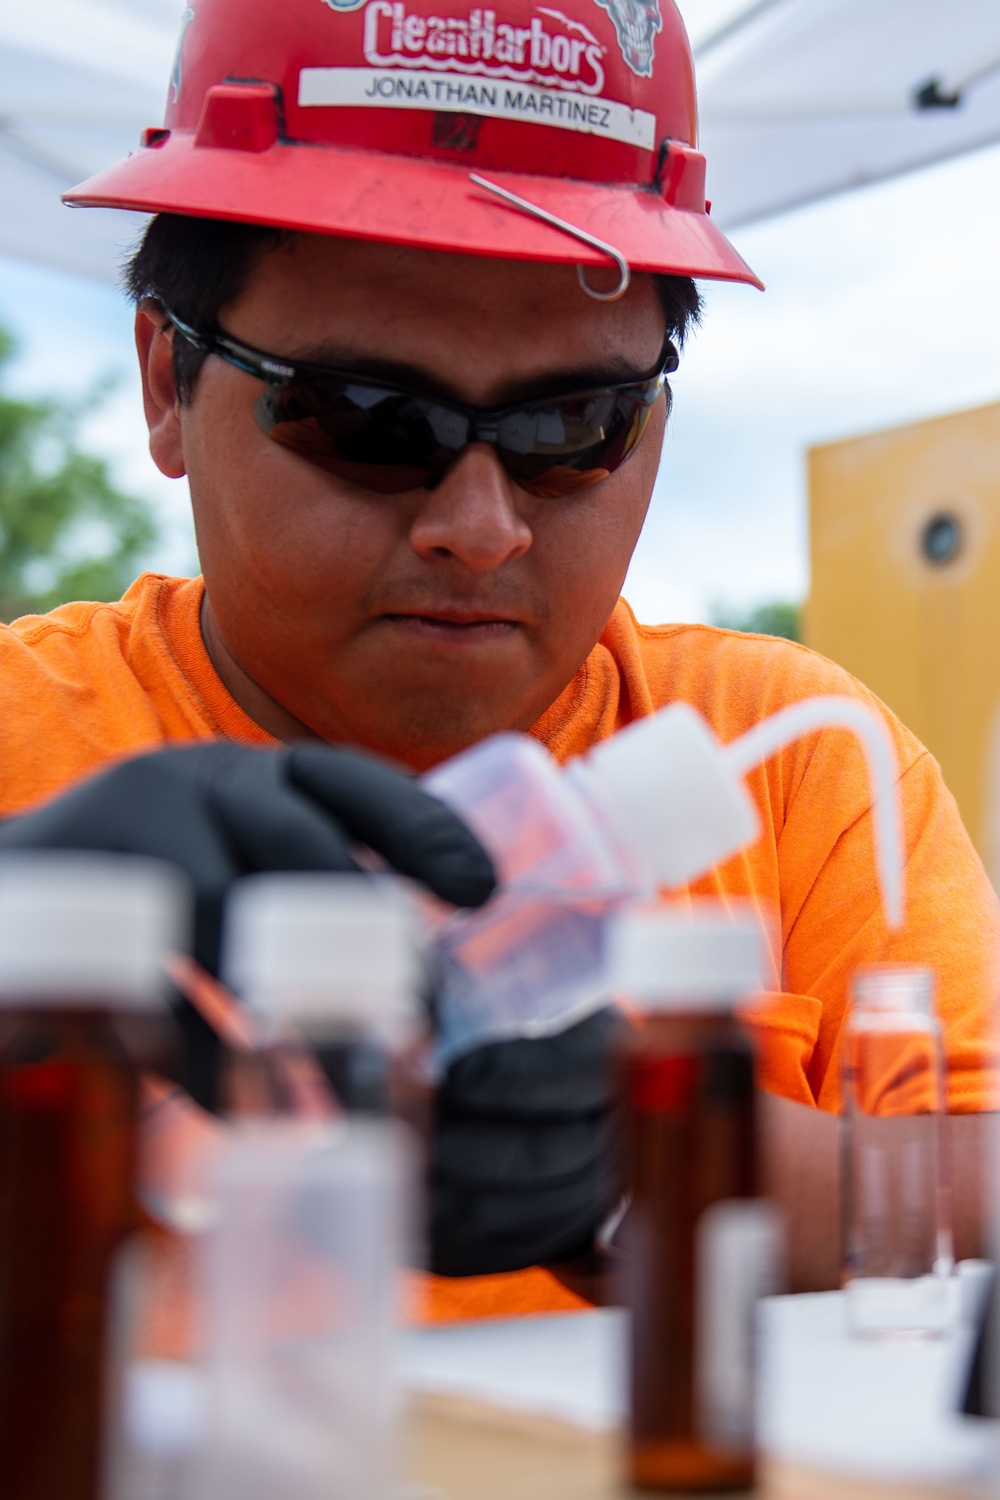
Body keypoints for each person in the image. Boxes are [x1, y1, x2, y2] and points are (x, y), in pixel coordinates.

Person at [0, 0, 995, 1317]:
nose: (479, 528)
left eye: (575, 427)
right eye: (368, 419)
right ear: (166, 383)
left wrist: (659, 1163)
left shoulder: (791, 760)